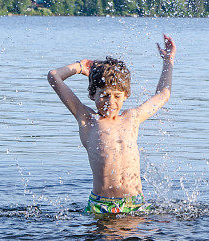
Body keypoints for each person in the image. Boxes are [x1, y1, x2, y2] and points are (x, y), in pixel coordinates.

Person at [46, 35, 176, 215]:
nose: (110, 102)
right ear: (93, 94)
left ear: (126, 95)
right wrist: (80, 67)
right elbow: (54, 76)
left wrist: (168, 61)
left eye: (117, 96)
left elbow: (163, 94)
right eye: (104, 95)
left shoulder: (132, 118)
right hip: (102, 205)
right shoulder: (87, 119)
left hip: (135, 204)